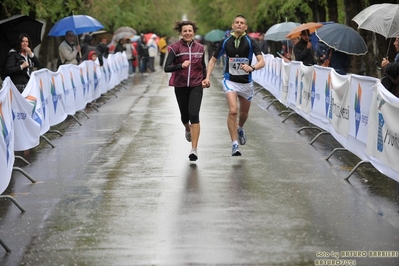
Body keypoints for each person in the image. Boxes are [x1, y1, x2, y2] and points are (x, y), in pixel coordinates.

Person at [202, 15, 265, 156]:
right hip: (230, 81)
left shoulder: (251, 41)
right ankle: (234, 144)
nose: (239, 24)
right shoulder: (225, 41)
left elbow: (262, 61)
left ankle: (240, 128)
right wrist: (207, 77)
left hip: (246, 83)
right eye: (237, 22)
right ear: (232, 25)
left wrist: (252, 67)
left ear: (246, 27)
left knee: (244, 114)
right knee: (233, 111)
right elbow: (212, 61)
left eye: (242, 23)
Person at [164, 20, 207, 161]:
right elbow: (167, 67)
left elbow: (203, 66)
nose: (188, 33)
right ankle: (187, 128)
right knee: (185, 116)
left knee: (194, 115)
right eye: (185, 31)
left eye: (190, 31)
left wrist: (205, 79)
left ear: (194, 32)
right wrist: (180, 65)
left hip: (196, 85)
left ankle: (194, 150)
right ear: (181, 33)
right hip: (180, 85)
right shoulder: (174, 48)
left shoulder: (200, 48)